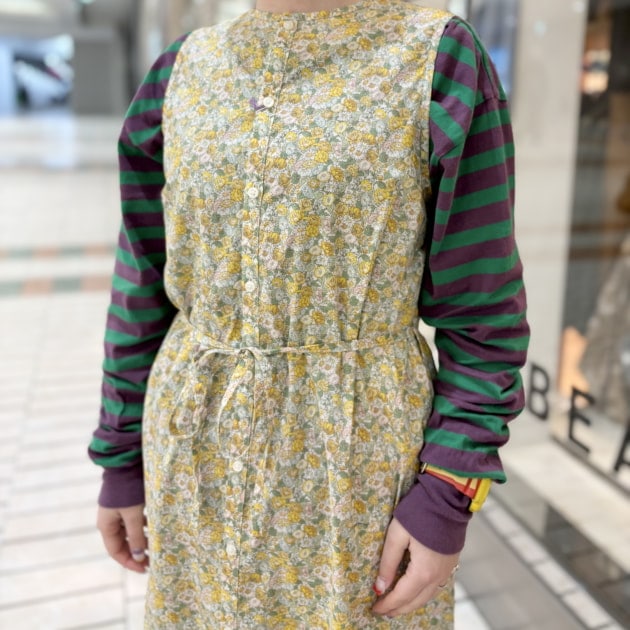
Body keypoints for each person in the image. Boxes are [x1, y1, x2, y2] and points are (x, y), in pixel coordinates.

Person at [89, 0, 529, 627]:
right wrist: (120, 457)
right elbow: (141, 281)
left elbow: (483, 308)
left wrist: (448, 491)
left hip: (358, 469)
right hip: (190, 454)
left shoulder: (437, 57)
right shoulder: (181, 68)